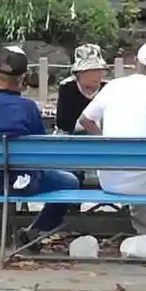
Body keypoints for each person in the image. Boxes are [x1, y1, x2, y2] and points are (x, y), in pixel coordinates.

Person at [0, 45, 78, 247]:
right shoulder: (29, 108)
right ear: (22, 78)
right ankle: (37, 230)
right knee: (70, 182)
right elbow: (38, 147)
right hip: (24, 183)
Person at [78, 40, 146, 235]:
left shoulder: (113, 86)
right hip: (144, 181)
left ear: (137, 62)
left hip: (110, 180)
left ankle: (145, 233)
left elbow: (85, 120)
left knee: (140, 172)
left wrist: (106, 142)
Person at [55, 44, 108, 188]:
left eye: (98, 70)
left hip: (102, 139)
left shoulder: (108, 88)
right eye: (90, 71)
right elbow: (63, 123)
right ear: (78, 73)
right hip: (73, 138)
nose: (96, 75)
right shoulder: (67, 88)